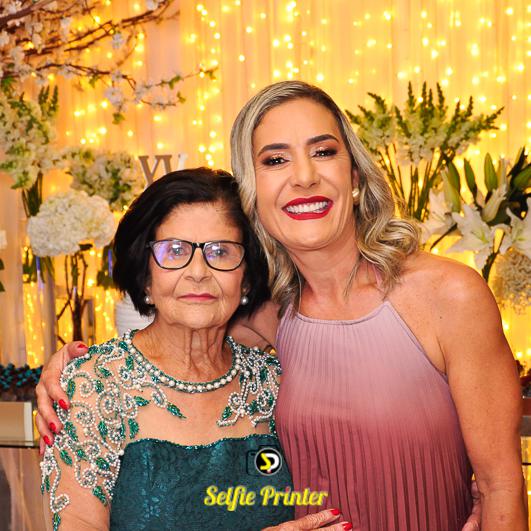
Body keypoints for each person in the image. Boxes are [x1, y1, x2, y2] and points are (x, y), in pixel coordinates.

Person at [36, 81, 523, 530]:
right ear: (255, 193)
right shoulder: (272, 314)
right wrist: (69, 370)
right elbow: (167, 349)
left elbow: (502, 486)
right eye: (275, 160)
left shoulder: (447, 295)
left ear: (354, 173)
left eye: (324, 151)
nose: (305, 176)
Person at [39, 168, 348, 531]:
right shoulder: (94, 387)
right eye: (174, 251)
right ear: (145, 275)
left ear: (246, 278)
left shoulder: (274, 384)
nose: (198, 272)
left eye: (221, 251)